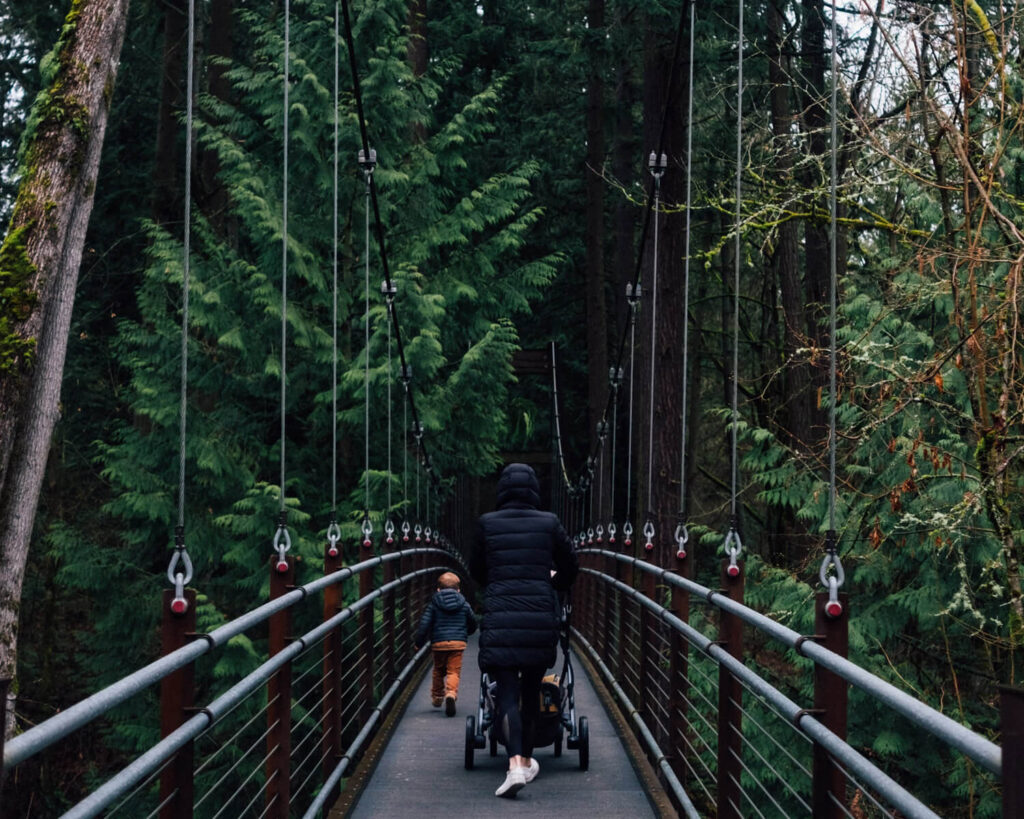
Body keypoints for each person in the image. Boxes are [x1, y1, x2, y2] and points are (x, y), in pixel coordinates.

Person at [470, 462, 578, 798]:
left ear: (502, 488)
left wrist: (500, 584)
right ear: (534, 489)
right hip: (538, 618)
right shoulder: (549, 523)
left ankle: (516, 763)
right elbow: (571, 567)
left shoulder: (487, 524)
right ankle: (527, 760)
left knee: (506, 694)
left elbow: (476, 571)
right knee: (531, 693)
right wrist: (550, 584)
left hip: (502, 617)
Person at [415, 571, 477, 716]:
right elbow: (472, 621)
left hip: (439, 643)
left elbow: (424, 624)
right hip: (457, 643)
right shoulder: (464, 604)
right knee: (454, 671)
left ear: (438, 589)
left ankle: (437, 697)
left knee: (438, 670)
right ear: (459, 590)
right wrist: (467, 632)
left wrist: (418, 642)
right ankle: (451, 693)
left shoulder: (434, 603)